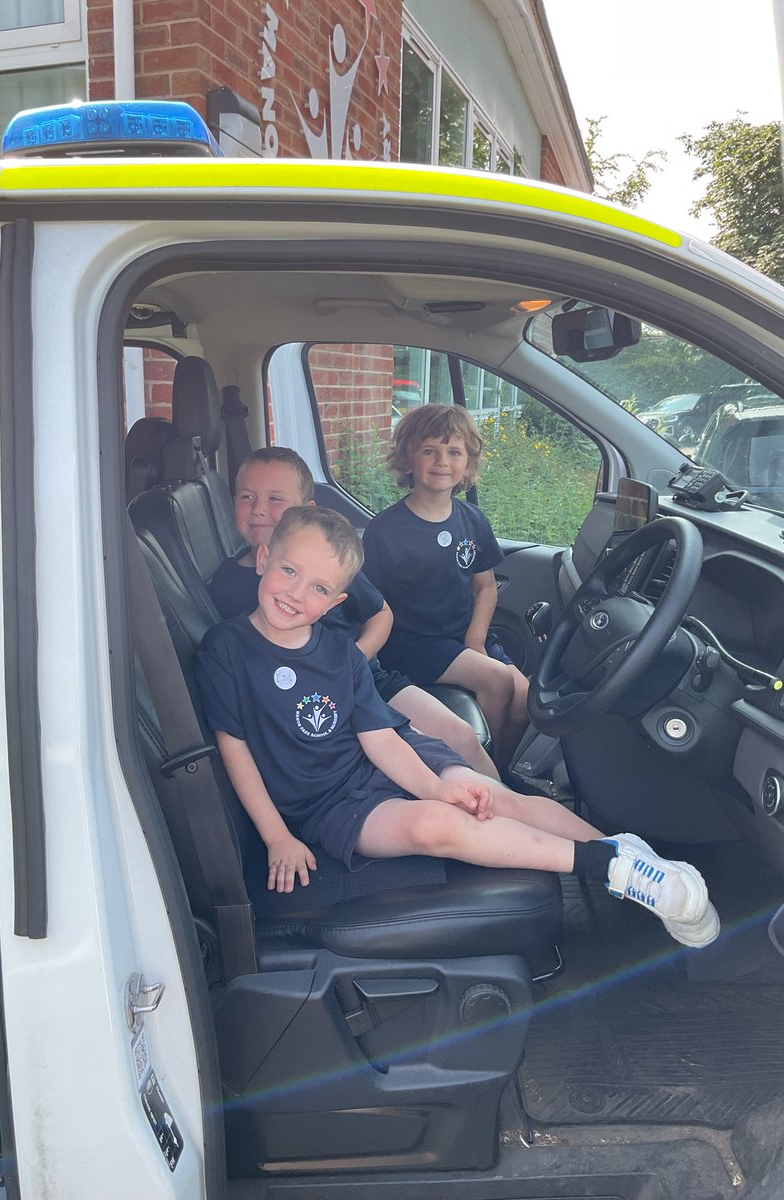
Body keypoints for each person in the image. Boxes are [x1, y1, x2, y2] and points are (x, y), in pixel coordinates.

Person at [195, 506, 719, 949]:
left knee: (491, 795)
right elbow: (234, 748)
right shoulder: (226, 649)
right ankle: (609, 867)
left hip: (386, 757)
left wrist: (437, 785)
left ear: (336, 603)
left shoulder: (341, 652)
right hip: (328, 805)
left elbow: (379, 739)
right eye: (287, 571)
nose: (294, 593)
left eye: (317, 588)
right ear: (263, 559)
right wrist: (277, 835)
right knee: (438, 828)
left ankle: (632, 863)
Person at [208, 445, 501, 778]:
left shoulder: (328, 563)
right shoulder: (225, 586)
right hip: (305, 702)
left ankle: (511, 810)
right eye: (246, 497)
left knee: (461, 737)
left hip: (369, 680)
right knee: (416, 758)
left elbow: (381, 615)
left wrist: (354, 661)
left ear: (307, 509)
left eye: (276, 499)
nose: (259, 510)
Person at [362, 404, 529, 768]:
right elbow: (370, 605)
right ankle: (494, 773)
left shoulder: (471, 520)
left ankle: (505, 763)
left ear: (467, 465)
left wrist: (476, 640)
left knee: (527, 697)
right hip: (413, 644)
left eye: (454, 452)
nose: (442, 461)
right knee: (498, 680)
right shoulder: (385, 531)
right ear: (408, 459)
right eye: (429, 451)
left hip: (462, 637)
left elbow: (484, 587)